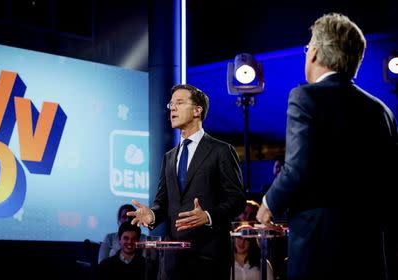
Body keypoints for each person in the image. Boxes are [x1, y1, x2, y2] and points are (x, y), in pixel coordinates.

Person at [256, 13, 398, 280]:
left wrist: (268, 204)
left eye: (308, 46)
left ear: (315, 53)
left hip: (317, 251)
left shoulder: (305, 97)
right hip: (370, 253)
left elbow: (297, 168)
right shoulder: (383, 112)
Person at [128, 84, 246, 280]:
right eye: (171, 104)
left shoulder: (221, 151)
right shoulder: (169, 157)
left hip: (209, 257)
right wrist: (153, 215)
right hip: (173, 260)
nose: (172, 108)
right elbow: (163, 202)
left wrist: (208, 216)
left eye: (179, 103)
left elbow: (237, 199)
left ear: (197, 110)